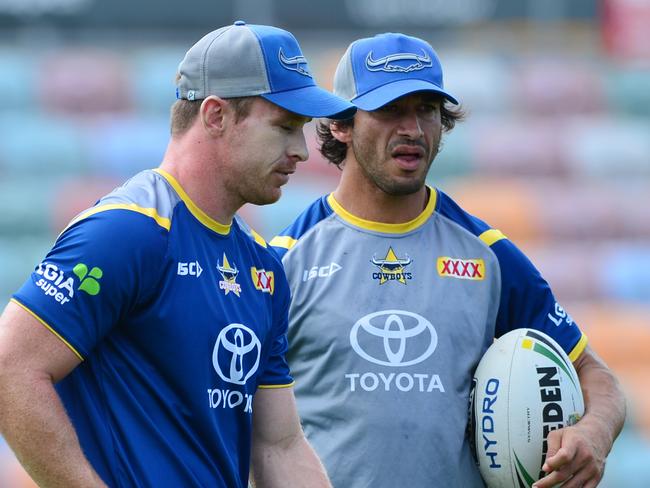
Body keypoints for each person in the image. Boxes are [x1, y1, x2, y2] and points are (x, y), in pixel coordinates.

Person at [0, 21, 356, 488]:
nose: (300, 151)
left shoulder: (263, 268)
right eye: (285, 127)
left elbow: (278, 445)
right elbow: (11, 369)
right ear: (215, 116)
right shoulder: (127, 233)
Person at [270, 32, 626, 488]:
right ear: (341, 124)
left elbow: (595, 375)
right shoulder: (285, 260)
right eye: (390, 109)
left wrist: (593, 434)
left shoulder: (489, 255)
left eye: (427, 110)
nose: (413, 129)